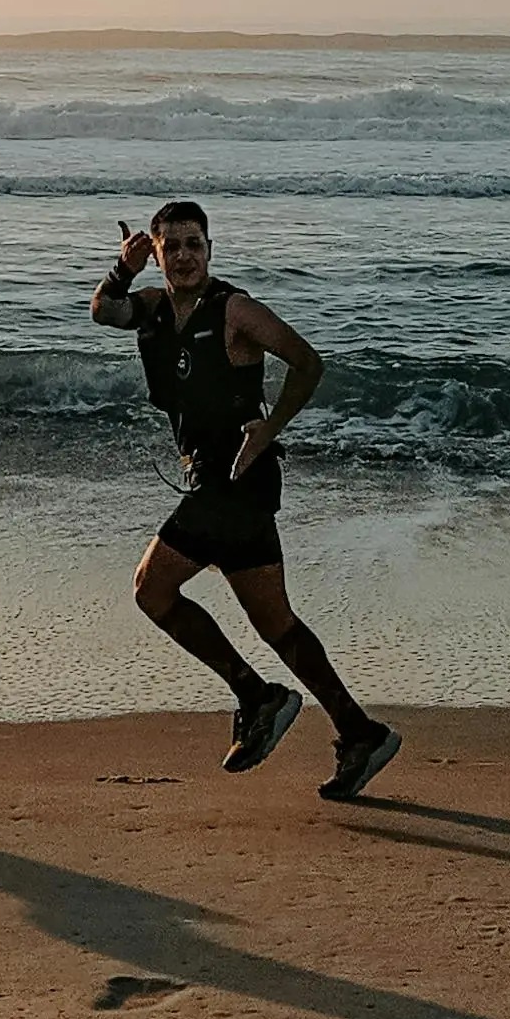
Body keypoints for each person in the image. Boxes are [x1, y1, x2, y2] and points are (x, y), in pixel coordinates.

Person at [90, 201, 401, 803]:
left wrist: (270, 427)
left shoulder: (234, 310)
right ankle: (360, 732)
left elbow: (308, 363)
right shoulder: (152, 308)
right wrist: (122, 270)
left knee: (151, 589)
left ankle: (257, 696)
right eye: (171, 246)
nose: (184, 255)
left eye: (194, 244)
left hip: (237, 482)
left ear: (210, 250)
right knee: (277, 624)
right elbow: (103, 310)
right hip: (222, 482)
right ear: (155, 252)